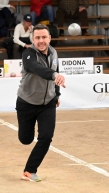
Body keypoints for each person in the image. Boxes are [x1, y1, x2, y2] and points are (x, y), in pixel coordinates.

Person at [16, 24, 66, 182]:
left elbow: (55, 73)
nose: (41, 41)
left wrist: (56, 94)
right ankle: (25, 135)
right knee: (26, 139)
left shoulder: (54, 53)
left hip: (48, 103)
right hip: (26, 103)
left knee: (46, 137)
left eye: (44, 37)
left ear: (50, 38)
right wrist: (54, 75)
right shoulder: (28, 55)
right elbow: (37, 69)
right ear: (33, 39)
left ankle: (30, 171)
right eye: (37, 38)